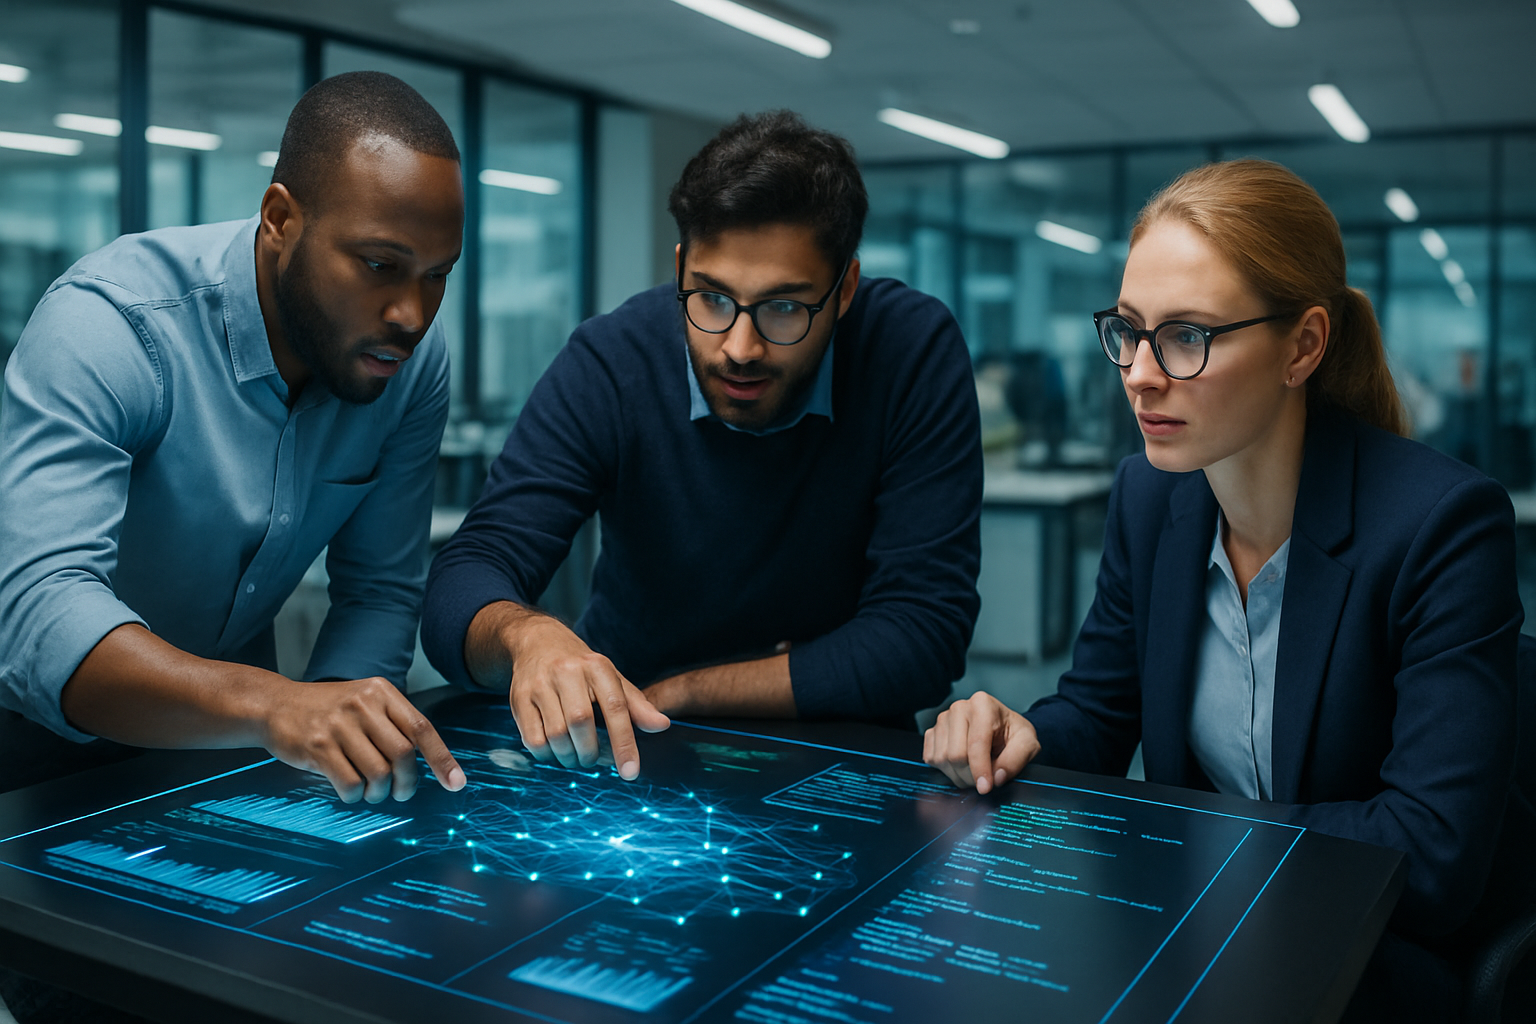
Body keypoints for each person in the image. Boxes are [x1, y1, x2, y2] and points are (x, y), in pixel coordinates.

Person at [922, 159, 1533, 1020]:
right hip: (1201, 935)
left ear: (1304, 347)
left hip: (1367, 961)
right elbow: (1096, 714)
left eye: (1186, 337)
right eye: (1129, 331)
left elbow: (1429, 858)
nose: (1138, 373)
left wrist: (1180, 837)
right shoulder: (1150, 496)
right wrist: (1019, 731)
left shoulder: (1442, 524)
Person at [422, 111, 982, 779]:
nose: (739, 348)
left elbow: (921, 640)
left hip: (837, 755)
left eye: (785, 308)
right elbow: (466, 577)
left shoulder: (909, 349)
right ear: (682, 265)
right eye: (712, 299)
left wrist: (685, 691)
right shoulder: (613, 359)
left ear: (845, 291)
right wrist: (526, 635)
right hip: (627, 750)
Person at [0, 71, 468, 807]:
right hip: (28, 751)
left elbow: (378, 592)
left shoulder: (409, 366)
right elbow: (42, 613)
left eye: (437, 275)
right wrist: (278, 706)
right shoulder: (111, 325)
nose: (411, 313)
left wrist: (339, 742)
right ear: (281, 218)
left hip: (224, 752)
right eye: (381, 265)